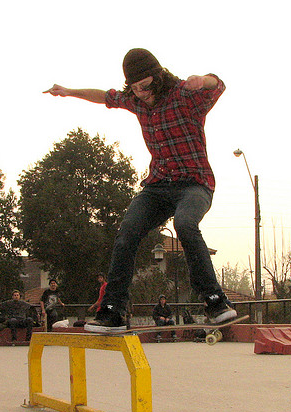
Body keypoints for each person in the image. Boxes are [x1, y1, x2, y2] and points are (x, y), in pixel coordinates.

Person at [44, 48, 238, 333]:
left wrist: (203, 79)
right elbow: (104, 96)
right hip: (157, 187)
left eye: (145, 86)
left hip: (194, 184)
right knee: (127, 233)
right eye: (135, 89)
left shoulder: (184, 94)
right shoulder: (136, 101)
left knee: (185, 224)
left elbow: (218, 85)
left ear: (158, 78)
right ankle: (113, 310)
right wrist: (69, 91)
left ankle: (215, 301)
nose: (141, 94)